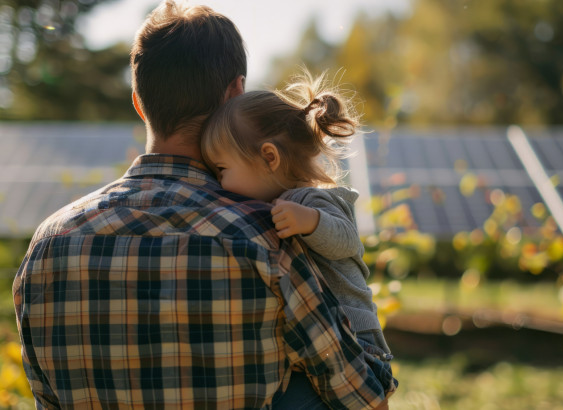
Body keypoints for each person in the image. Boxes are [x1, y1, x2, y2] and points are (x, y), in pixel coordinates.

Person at [12, 1, 394, 409]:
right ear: (236, 93)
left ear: (139, 103)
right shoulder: (268, 236)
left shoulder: (48, 247)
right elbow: (364, 401)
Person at [200, 71, 394, 367]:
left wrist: (311, 221)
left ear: (269, 157)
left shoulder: (309, 200)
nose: (219, 182)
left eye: (222, 169)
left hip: (356, 335)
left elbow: (347, 240)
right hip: (324, 332)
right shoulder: (282, 202)